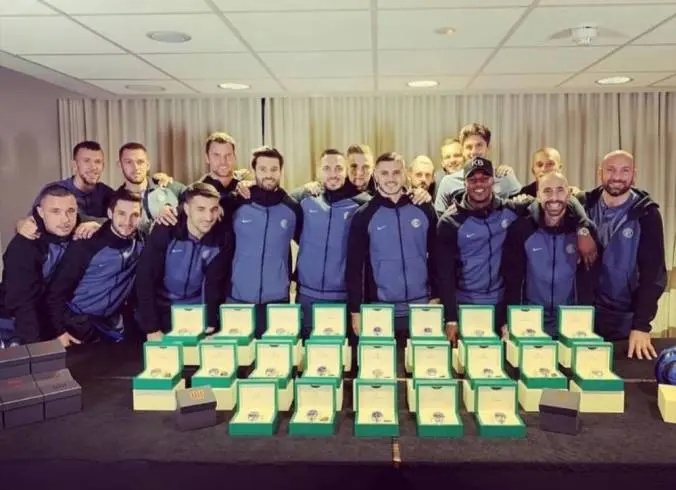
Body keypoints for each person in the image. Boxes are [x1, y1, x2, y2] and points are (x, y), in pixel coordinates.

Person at [436, 157, 597, 345]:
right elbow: (444, 274)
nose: (479, 184)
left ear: (493, 181)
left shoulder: (511, 209)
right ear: (464, 183)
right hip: (465, 306)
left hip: (501, 304)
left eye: (485, 178)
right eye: (473, 179)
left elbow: (555, 202)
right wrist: (451, 318)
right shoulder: (449, 222)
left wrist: (583, 226)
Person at [577, 150, 666, 360]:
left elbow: (653, 275)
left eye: (624, 171)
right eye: (610, 170)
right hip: (581, 316)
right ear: (600, 173)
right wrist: (581, 230)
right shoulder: (582, 205)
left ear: (634, 175)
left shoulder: (647, 214)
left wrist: (641, 325)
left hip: (623, 320)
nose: (617, 177)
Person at [346, 152, 438, 340]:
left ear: (405, 174)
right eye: (384, 173)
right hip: (381, 308)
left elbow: (438, 257)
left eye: (396, 172)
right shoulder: (364, 215)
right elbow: (355, 267)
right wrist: (355, 309)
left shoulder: (423, 208)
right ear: (376, 175)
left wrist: (436, 294)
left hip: (422, 305)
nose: (391, 179)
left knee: (424, 358)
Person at [501, 172, 601, 336]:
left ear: (569, 194)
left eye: (560, 190)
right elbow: (512, 279)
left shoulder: (585, 231)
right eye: (547, 191)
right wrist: (508, 319)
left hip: (572, 322)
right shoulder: (521, 228)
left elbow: (592, 279)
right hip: (529, 320)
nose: (554, 198)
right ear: (538, 195)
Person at [45, 189, 144, 347]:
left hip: (112, 326)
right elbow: (56, 292)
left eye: (135, 215)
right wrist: (60, 332)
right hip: (77, 324)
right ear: (110, 213)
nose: (128, 222)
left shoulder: (142, 241)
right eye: (121, 214)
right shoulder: (86, 244)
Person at [135, 183, 234, 341]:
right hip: (163, 312)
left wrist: (211, 322)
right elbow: (145, 278)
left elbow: (215, 282)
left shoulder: (223, 237)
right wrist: (152, 327)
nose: (208, 217)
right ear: (187, 209)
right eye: (200, 209)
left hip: (197, 313)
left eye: (213, 209)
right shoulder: (166, 229)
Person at [292, 149, 371, 340]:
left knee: (342, 354)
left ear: (346, 171)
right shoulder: (304, 198)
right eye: (327, 168)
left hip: (343, 298)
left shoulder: (362, 204)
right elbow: (272, 197)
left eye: (338, 168)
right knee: (307, 353)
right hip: (307, 296)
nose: (333, 174)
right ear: (319, 171)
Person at [226, 146, 303, 338]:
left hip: (277, 300)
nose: (269, 174)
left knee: (275, 354)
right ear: (254, 170)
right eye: (263, 169)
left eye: (274, 169)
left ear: (281, 171)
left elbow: (308, 244)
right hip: (238, 298)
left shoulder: (292, 208)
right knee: (240, 355)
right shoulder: (237, 202)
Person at [0, 185, 78, 346]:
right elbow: (22, 303)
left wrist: (94, 225)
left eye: (71, 211)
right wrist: (36, 349)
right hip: (13, 320)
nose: (65, 219)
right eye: (55, 212)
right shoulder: (24, 246)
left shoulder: (76, 230)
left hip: (49, 316)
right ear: (41, 212)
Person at [16, 141, 112, 241]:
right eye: (86, 161)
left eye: (98, 162)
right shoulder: (53, 190)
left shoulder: (108, 193)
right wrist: (21, 224)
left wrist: (99, 225)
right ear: (74, 165)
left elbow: (120, 225)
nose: (93, 167)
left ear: (103, 165)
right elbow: (29, 223)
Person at [434, 123, 522, 215]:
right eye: (469, 147)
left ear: (488, 147)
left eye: (479, 145)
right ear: (462, 150)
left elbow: (523, 210)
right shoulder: (448, 182)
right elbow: (439, 218)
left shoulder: (505, 177)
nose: (474, 151)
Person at [115, 142, 185, 234]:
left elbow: (196, 199)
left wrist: (174, 211)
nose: (135, 167)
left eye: (140, 162)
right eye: (129, 162)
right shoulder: (115, 200)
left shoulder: (168, 187)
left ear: (148, 165)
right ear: (120, 164)